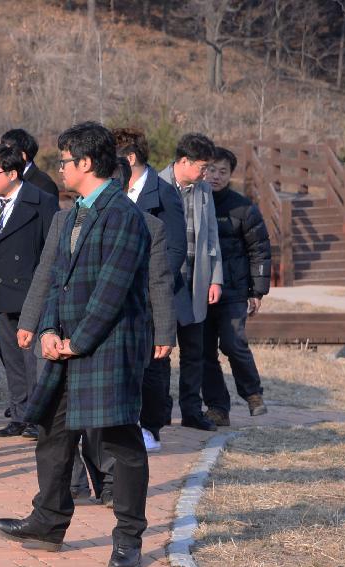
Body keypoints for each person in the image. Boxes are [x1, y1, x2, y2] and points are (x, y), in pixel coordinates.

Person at [0, 122, 151, 567]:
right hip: (64, 347)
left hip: (105, 349)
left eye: (63, 161)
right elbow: (55, 283)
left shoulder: (124, 216)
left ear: (85, 163)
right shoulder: (71, 215)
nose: (58, 168)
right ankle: (48, 521)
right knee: (53, 433)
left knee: (119, 444)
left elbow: (112, 291)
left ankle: (128, 541)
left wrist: (76, 343)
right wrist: (46, 331)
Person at [69, 156, 177, 508]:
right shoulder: (72, 221)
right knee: (82, 419)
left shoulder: (148, 226)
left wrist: (164, 331)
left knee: (116, 417)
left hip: (124, 334)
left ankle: (115, 485)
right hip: (76, 333)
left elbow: (159, 282)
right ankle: (82, 483)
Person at [113, 127, 186, 451]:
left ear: (128, 158)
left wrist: (151, 281)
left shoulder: (163, 192)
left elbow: (175, 248)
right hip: (121, 294)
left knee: (154, 363)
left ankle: (151, 426)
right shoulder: (116, 191)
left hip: (151, 292)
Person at [0, 143, 58, 440]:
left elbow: (51, 252)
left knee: (34, 361)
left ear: (12, 173)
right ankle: (19, 414)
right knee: (11, 358)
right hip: (1, 295)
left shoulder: (42, 202)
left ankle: (39, 419)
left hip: (32, 293)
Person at [159, 133, 223, 432]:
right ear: (183, 161)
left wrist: (215, 278)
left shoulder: (203, 190)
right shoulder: (156, 185)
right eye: (203, 166)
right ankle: (157, 411)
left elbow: (211, 236)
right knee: (159, 352)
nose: (206, 173)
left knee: (194, 352)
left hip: (195, 280)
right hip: (164, 282)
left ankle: (191, 410)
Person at [202, 147, 270, 425]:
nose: (216, 177)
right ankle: (218, 408)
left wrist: (257, 291)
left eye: (223, 172)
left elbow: (259, 250)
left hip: (233, 291)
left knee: (233, 343)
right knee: (204, 352)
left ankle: (253, 393)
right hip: (199, 292)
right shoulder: (191, 202)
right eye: (212, 170)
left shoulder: (243, 208)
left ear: (231, 175)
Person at [1, 128, 60, 198]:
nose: (1, 157)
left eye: (6, 153)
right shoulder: (3, 181)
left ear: (23, 156)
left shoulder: (44, 185)